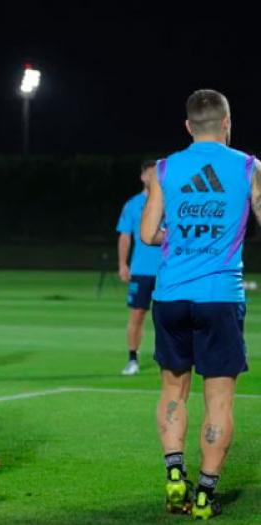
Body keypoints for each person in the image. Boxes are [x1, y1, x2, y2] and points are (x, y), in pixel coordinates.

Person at [140, 89, 253, 520]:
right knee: (219, 400)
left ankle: (174, 475)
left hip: (170, 295)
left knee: (173, 390)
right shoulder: (247, 166)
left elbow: (149, 233)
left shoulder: (166, 168)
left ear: (188, 127)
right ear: (227, 123)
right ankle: (204, 495)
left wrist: (181, 237)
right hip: (220, 296)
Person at [116, 160, 162, 376]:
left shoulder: (171, 203)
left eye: (157, 174)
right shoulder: (132, 204)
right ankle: (132, 359)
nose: (154, 177)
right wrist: (123, 264)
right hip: (141, 270)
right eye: (151, 174)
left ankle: (170, 357)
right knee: (137, 315)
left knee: (171, 316)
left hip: (168, 270)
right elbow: (125, 236)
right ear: (143, 176)